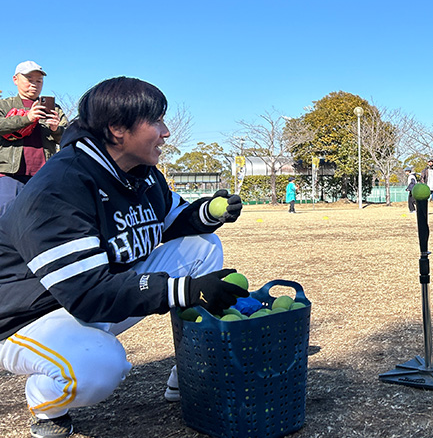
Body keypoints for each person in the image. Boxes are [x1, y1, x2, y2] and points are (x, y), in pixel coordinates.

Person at [0, 77, 248, 438]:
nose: (165, 132)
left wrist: (209, 213)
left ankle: (194, 373)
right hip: (27, 318)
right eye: (156, 122)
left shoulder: (140, 174)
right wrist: (184, 290)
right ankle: (46, 400)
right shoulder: (60, 186)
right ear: (117, 129)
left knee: (202, 245)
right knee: (99, 366)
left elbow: (168, 222)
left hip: (90, 296)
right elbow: (87, 292)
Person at [0, 61, 69, 216]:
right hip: (9, 174)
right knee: (6, 219)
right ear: (15, 79)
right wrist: (27, 118)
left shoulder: (54, 109)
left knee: (40, 219)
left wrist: (56, 129)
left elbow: (68, 137)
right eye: (29, 79)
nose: (35, 84)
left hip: (43, 174)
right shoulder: (4, 105)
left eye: (39, 81)